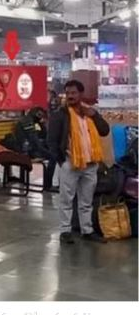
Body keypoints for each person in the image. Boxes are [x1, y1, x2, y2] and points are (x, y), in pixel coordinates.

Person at [47, 80, 110, 245]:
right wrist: (61, 161)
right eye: (68, 93)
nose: (70, 96)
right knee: (66, 199)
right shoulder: (60, 114)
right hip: (70, 163)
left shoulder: (90, 113)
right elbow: (52, 141)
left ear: (81, 94)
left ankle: (87, 230)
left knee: (86, 200)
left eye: (74, 93)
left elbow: (104, 131)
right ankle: (65, 231)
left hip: (90, 164)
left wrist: (94, 115)